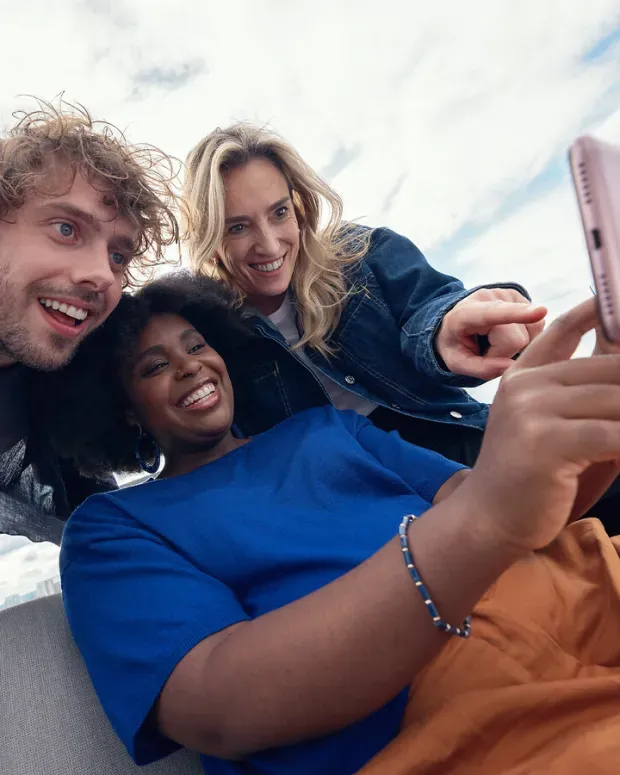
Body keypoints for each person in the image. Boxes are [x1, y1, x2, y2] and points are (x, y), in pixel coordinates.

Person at [48, 272, 620, 775]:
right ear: (123, 408)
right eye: (155, 366)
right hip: (452, 725)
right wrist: (482, 519)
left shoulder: (327, 429)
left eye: (196, 345)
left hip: (582, 591)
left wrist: (589, 424)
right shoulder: (111, 530)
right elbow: (220, 705)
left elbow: (519, 508)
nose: (190, 365)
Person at [182, 122, 546, 466]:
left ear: (299, 206)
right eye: (238, 227)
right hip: (350, 502)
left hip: (457, 444)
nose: (269, 243)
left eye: (279, 212)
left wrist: (449, 329)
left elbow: (429, 307)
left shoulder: (359, 252)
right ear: (210, 239)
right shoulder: (210, 335)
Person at [0, 98, 179, 544]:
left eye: (118, 255)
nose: (102, 275)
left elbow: (97, 524)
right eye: (66, 229)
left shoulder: (62, 386)